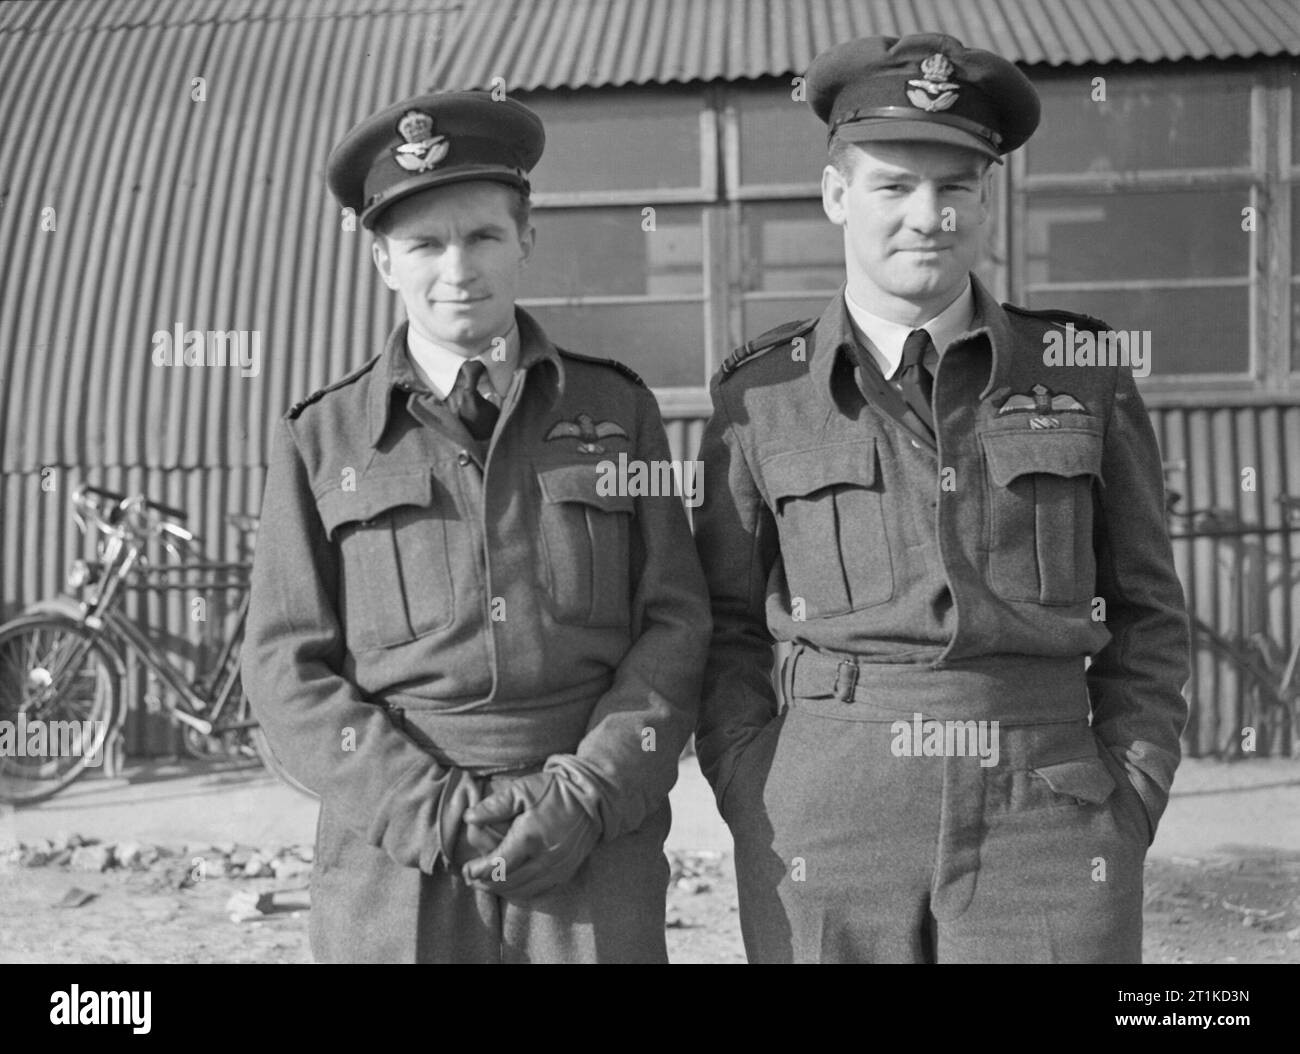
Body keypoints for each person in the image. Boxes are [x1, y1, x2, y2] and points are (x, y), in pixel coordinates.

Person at [693, 33, 1189, 963]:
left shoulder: (1081, 371)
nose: (928, 216)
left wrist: (1130, 793)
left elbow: (1149, 612)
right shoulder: (760, 396)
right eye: (893, 186)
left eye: (955, 187)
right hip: (829, 808)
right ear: (837, 194)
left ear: (985, 200)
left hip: (1046, 803)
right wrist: (755, 775)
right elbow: (722, 622)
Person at [242, 90, 710, 963]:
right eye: (424, 244)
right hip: (395, 854)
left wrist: (589, 793)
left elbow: (676, 623)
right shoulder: (322, 438)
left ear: (525, 238)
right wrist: (427, 811)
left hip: (589, 845)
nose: (457, 269)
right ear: (382, 259)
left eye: (483, 236)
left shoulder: (615, 410)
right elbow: (283, 664)